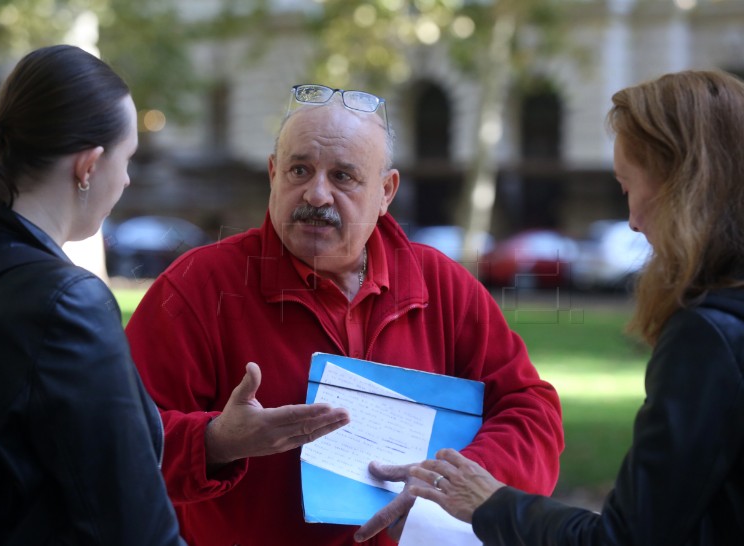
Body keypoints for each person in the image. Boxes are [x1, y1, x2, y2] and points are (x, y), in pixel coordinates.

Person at [125, 83, 563, 546]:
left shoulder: (441, 285)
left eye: (343, 176)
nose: (316, 195)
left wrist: (462, 480)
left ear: (386, 191)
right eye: (299, 170)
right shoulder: (196, 287)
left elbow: (532, 412)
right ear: (273, 175)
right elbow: (114, 440)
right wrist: (216, 442)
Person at [392, 69, 744, 545]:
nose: (634, 221)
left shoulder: (708, 336)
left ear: (683, 186)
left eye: (627, 186)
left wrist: (492, 502)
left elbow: (624, 539)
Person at [0, 45, 185, 545]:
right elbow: (138, 529)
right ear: (89, 166)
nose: (127, 178)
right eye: (127, 158)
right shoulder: (68, 302)